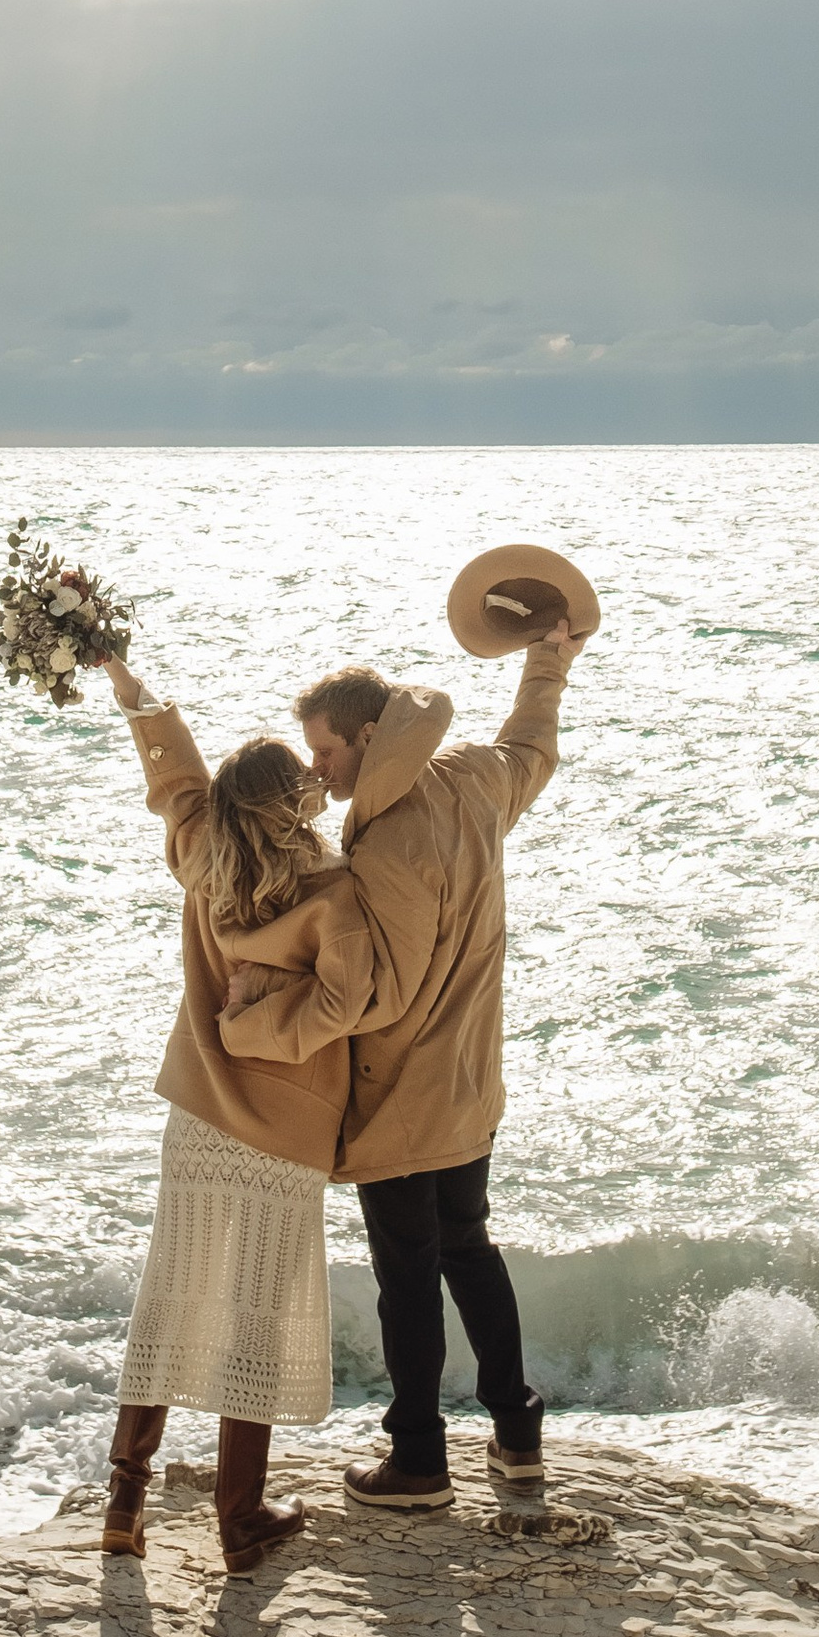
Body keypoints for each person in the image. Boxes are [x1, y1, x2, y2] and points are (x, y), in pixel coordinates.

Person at [218, 616, 580, 1513]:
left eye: (326, 752)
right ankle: (517, 1436)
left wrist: (252, 1027)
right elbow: (530, 747)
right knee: (472, 1247)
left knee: (408, 1275)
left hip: (400, 1091)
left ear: (368, 735)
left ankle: (418, 1458)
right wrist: (547, 664)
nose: (318, 773)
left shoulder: (385, 844)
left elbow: (369, 998)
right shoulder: (474, 779)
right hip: (470, 1076)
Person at [95, 644, 392, 1574]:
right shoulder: (334, 895)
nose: (317, 784)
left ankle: (124, 1504)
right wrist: (257, 1029)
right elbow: (341, 1008)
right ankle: (239, 1516)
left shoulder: (202, 861)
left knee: (172, 1296)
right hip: (280, 1132)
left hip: (196, 1124)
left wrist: (129, 687)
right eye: (304, 781)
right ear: (290, 808)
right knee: (255, 1315)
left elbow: (175, 778)